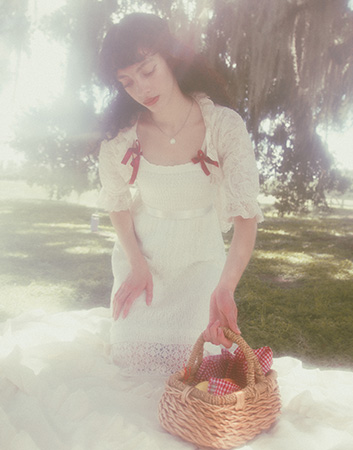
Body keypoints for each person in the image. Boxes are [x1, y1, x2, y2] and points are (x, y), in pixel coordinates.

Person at [97, 13, 263, 375]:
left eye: (147, 70)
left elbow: (246, 220)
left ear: (169, 59)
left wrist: (226, 287)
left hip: (200, 261)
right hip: (144, 261)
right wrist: (137, 263)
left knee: (192, 373)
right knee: (131, 370)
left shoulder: (223, 126)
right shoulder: (124, 136)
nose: (141, 88)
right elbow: (117, 203)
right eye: (127, 81)